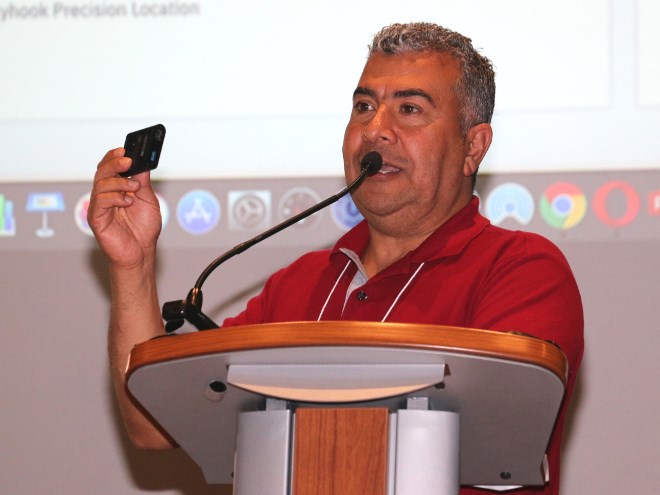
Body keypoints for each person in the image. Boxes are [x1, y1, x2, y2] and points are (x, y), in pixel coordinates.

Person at [89, 22, 583, 495]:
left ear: (472, 146)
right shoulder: (298, 284)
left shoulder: (520, 269)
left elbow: (501, 427)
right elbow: (151, 424)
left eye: (409, 109)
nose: (376, 130)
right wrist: (133, 265)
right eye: (364, 107)